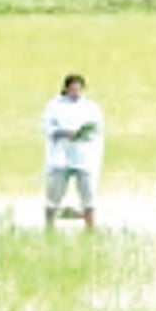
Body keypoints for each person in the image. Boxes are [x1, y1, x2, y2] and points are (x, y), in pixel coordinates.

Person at [41, 73, 104, 230]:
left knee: (88, 194)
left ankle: (90, 227)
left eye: (78, 89)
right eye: (72, 89)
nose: (75, 92)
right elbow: (47, 127)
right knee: (54, 195)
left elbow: (96, 129)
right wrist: (64, 133)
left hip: (83, 157)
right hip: (60, 157)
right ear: (66, 88)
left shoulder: (90, 107)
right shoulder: (54, 106)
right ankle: (49, 226)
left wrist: (82, 135)